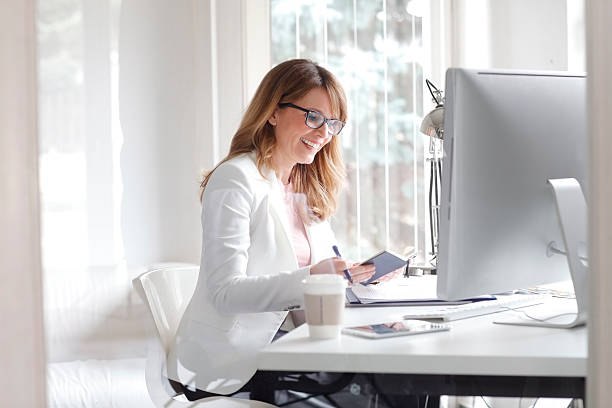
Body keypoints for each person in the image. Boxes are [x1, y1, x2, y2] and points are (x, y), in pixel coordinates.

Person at [168, 59, 389, 403]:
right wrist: (315, 277)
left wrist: (356, 276)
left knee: (390, 385)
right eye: (312, 117)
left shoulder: (304, 186)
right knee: (376, 394)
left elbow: (322, 271)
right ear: (273, 111)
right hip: (229, 364)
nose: (323, 134)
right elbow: (224, 292)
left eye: (332, 123)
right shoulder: (236, 180)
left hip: (287, 349)